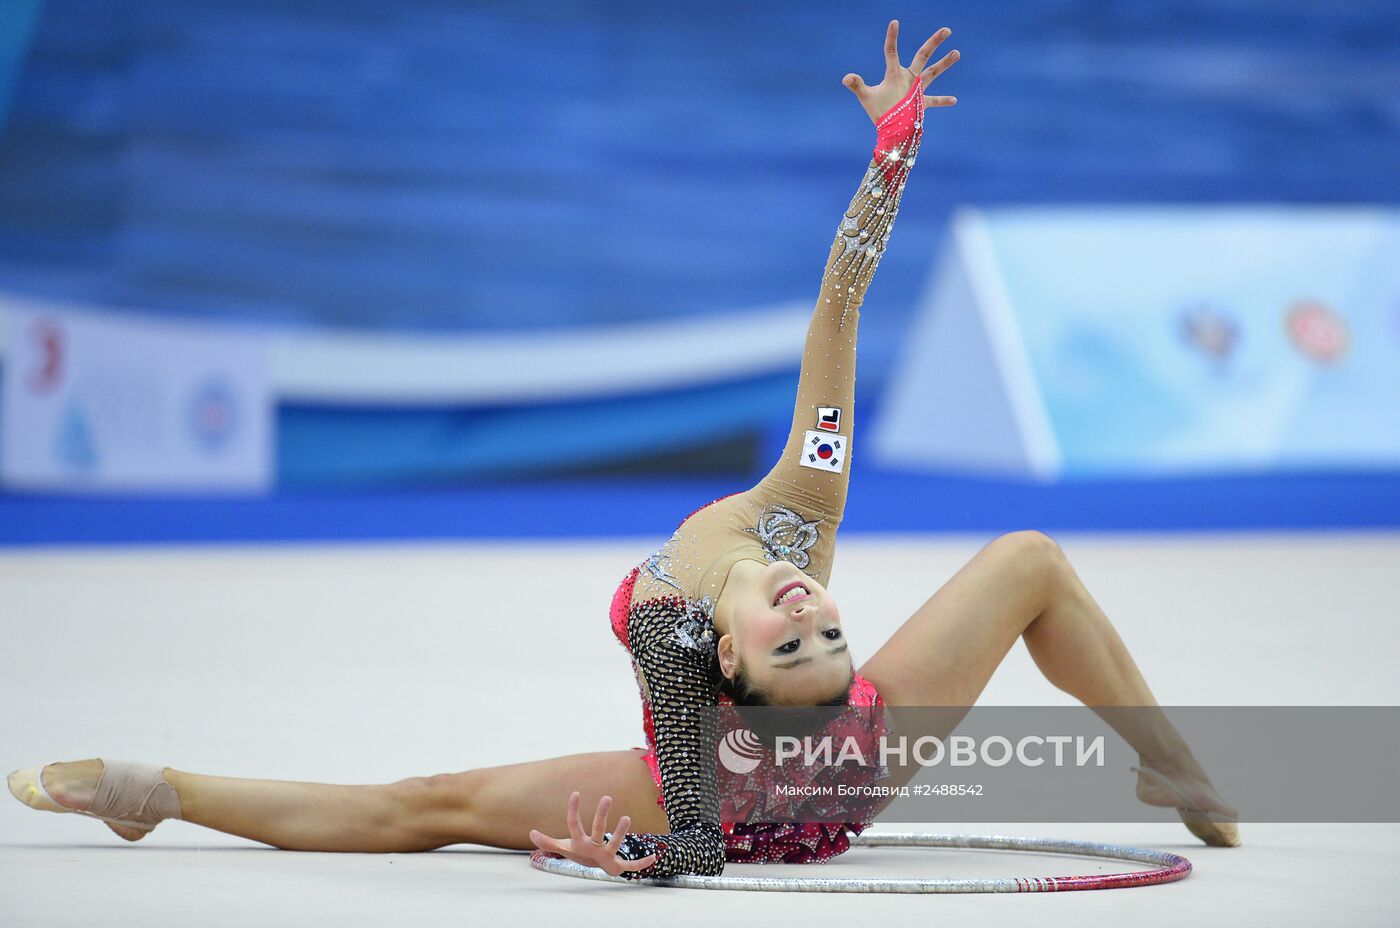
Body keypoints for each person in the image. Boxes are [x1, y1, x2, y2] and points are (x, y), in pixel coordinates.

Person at [7, 20, 1239, 881]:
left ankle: (157, 789)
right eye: (829, 637)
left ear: (729, 664)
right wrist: (894, 149)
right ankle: (1174, 764)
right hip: (850, 766)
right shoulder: (802, 514)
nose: (811, 609)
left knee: (422, 807)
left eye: (790, 640)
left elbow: (696, 839)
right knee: (1025, 555)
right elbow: (839, 314)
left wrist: (635, 855)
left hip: (741, 794)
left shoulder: (668, 627)